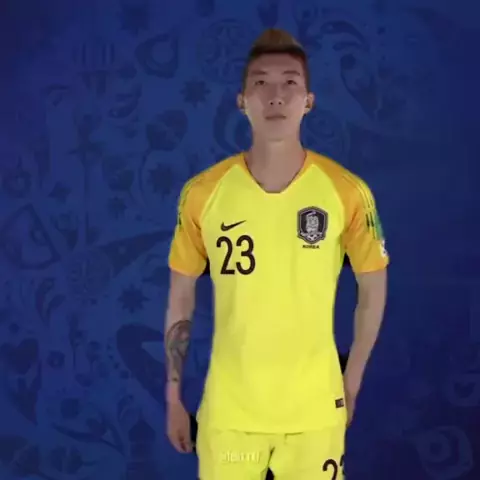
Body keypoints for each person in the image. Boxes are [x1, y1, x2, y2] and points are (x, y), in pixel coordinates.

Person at [164, 28, 389, 480]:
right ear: (242, 101)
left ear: (308, 101)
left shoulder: (346, 191)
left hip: (314, 413)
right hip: (230, 414)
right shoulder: (203, 194)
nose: (276, 96)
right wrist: (173, 396)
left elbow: (373, 286)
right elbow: (181, 296)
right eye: (261, 83)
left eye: (290, 83)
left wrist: (352, 380)